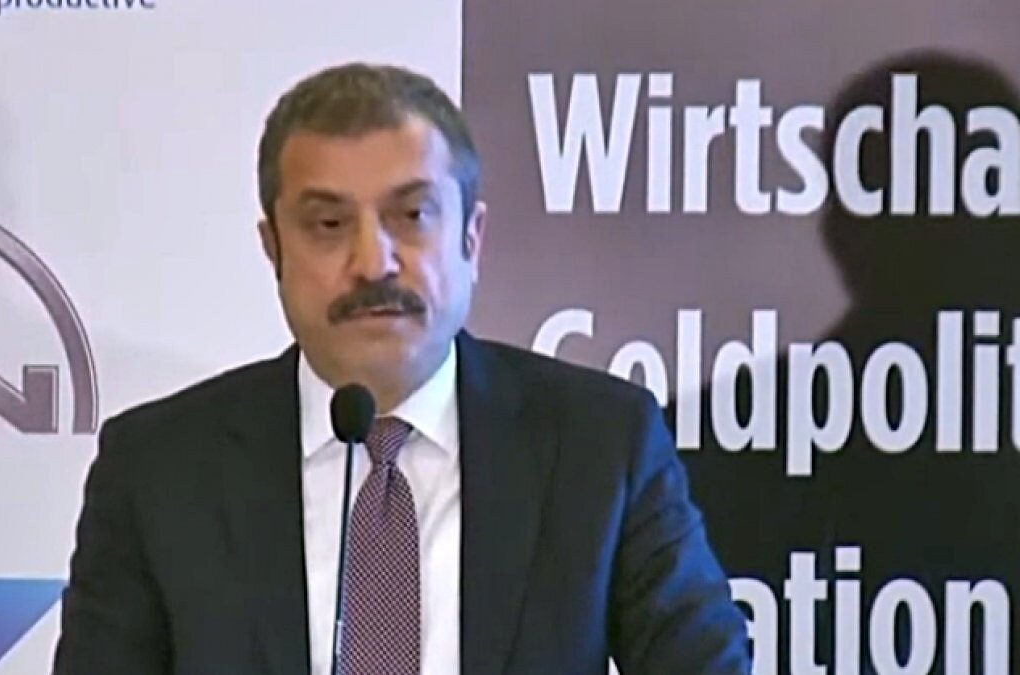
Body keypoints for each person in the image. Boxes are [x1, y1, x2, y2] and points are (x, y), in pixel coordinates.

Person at [52, 62, 751, 675]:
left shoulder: (599, 445)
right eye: (329, 225)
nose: (373, 262)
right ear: (274, 249)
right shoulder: (158, 469)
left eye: (412, 215)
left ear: (471, 237)